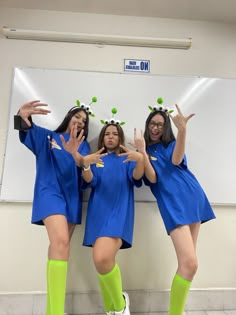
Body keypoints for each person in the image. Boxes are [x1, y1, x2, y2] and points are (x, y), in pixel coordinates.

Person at [131, 101, 216, 315]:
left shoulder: (171, 144)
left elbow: (177, 159)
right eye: (152, 123)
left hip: (192, 197)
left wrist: (183, 131)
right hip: (172, 205)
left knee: (188, 265)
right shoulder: (144, 152)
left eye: (160, 124)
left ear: (166, 127)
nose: (155, 127)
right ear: (147, 124)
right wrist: (142, 150)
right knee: (190, 264)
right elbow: (152, 177)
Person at [14, 99, 94, 315]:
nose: (80, 122)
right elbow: (26, 128)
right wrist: (21, 115)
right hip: (50, 194)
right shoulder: (47, 136)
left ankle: (52, 310)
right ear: (69, 117)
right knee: (60, 243)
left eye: (84, 121)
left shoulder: (84, 146)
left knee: (59, 249)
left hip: (72, 198)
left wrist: (75, 153)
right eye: (77, 116)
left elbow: (85, 168)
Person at [61, 109, 144, 315]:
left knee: (101, 258)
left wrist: (141, 158)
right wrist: (86, 166)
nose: (111, 136)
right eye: (107, 133)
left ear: (120, 137)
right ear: (102, 137)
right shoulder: (96, 158)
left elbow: (136, 177)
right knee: (102, 263)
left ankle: (121, 304)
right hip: (98, 213)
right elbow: (91, 181)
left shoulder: (127, 158)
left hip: (119, 213)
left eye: (115, 133)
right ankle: (112, 309)